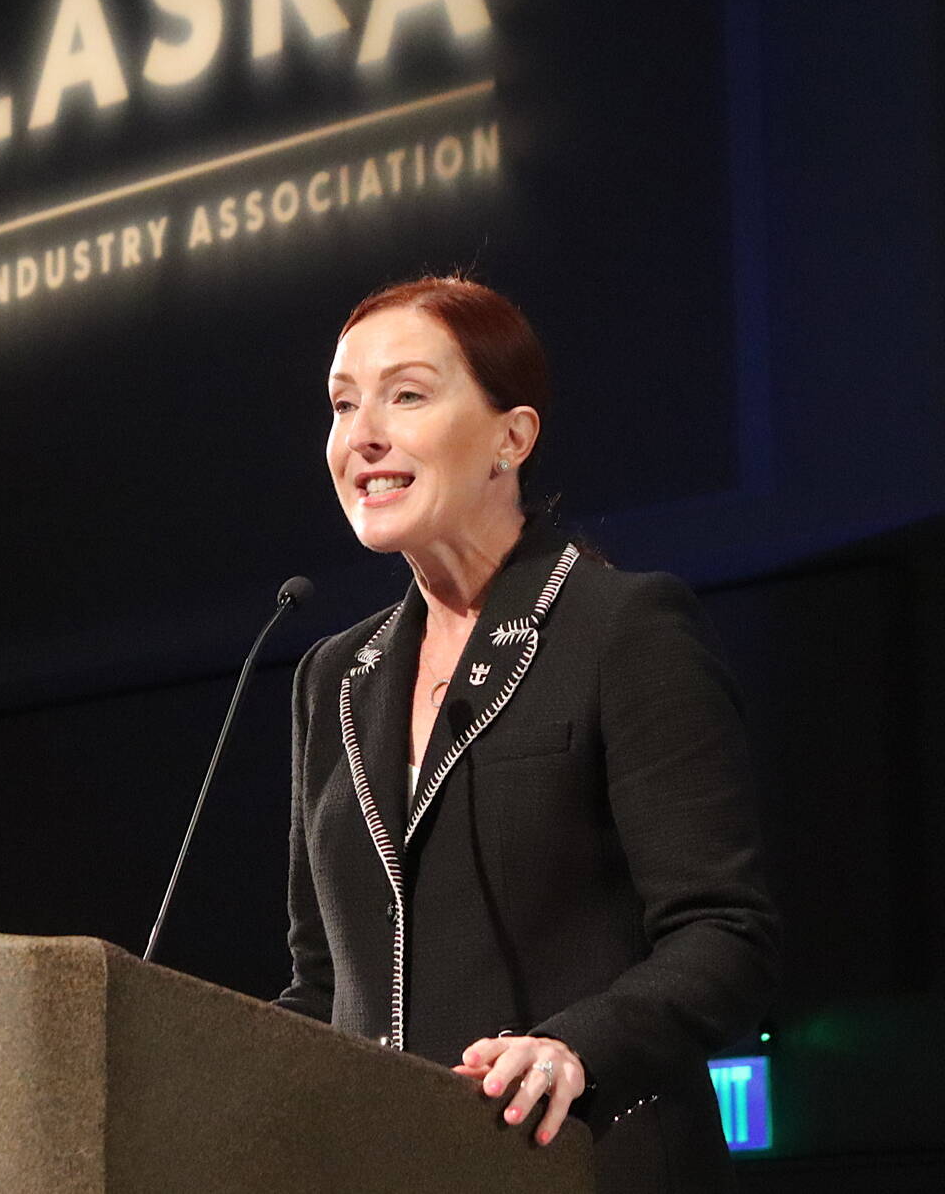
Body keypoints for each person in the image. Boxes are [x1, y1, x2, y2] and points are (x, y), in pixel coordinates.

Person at [277, 276, 778, 1192]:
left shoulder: (621, 627)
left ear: (513, 436)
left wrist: (574, 1049)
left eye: (408, 394)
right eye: (344, 404)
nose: (363, 436)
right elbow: (322, 984)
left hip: (583, 1162)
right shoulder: (333, 677)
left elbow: (724, 935)